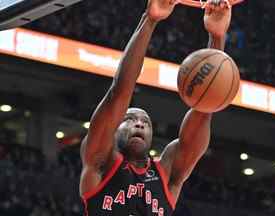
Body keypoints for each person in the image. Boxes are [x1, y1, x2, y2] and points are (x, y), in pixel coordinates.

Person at [79, 0, 232, 215]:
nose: (139, 124)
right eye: (129, 119)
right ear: (114, 131)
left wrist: (217, 37)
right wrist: (149, 20)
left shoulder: (167, 173)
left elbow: (204, 107)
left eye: (145, 122)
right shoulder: (100, 162)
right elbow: (119, 93)